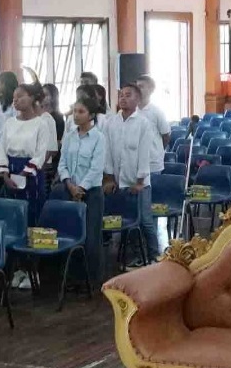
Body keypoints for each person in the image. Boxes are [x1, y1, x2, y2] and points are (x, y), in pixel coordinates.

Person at [103, 84, 161, 264]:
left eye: (128, 95)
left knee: (145, 221)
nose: (123, 98)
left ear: (137, 99)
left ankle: (155, 256)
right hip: (119, 181)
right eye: (121, 95)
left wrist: (140, 181)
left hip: (139, 182)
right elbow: (108, 152)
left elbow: (144, 154)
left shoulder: (143, 123)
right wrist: (109, 178)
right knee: (126, 221)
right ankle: (135, 256)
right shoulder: (111, 122)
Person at [57, 99, 107, 282]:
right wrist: (70, 185)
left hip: (91, 193)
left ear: (91, 115)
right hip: (70, 190)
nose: (76, 115)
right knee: (71, 234)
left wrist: (81, 188)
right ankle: (73, 278)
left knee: (91, 237)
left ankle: (92, 280)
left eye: (81, 112)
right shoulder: (70, 136)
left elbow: (96, 168)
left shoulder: (99, 138)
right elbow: (62, 163)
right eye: (75, 111)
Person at [0, 84, 59, 223]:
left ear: (32, 98)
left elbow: (40, 154)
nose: (15, 100)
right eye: (14, 97)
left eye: (20, 96)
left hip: (32, 172)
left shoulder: (41, 124)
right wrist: (5, 175)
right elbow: (1, 148)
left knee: (32, 212)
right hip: (10, 169)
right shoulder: (9, 123)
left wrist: (23, 174)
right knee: (12, 214)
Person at [135, 75, 171, 150]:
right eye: (136, 87)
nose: (138, 90)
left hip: (153, 156)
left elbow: (166, 136)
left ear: (151, 90)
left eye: (141, 86)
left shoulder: (157, 112)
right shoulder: (131, 110)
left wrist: (157, 151)